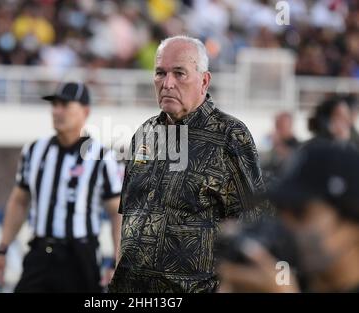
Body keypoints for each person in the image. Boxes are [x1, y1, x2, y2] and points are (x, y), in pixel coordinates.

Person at [109, 35, 266, 293]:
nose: (167, 83)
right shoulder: (144, 134)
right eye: (160, 73)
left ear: (204, 81)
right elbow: (129, 218)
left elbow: (253, 225)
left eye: (179, 73)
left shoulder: (230, 136)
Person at [0, 82, 123, 292]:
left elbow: (117, 212)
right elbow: (19, 201)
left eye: (65, 105)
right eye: (54, 105)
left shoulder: (101, 157)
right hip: (40, 250)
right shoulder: (35, 150)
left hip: (80, 254)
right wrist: (3, 248)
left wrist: (118, 259)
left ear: (85, 111)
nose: (57, 111)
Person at [217, 141, 359, 293]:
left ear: (352, 222)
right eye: (279, 211)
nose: (285, 225)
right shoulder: (292, 277)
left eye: (299, 213)